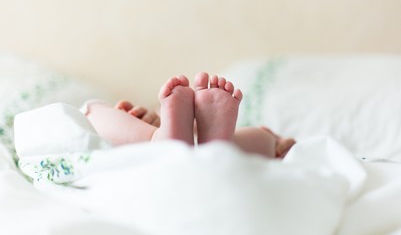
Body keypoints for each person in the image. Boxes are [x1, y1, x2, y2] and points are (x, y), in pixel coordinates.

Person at [83, 72, 296, 158]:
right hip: (217, 157)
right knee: (262, 140)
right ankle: (219, 146)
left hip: (150, 156)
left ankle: (157, 138)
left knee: (91, 112)